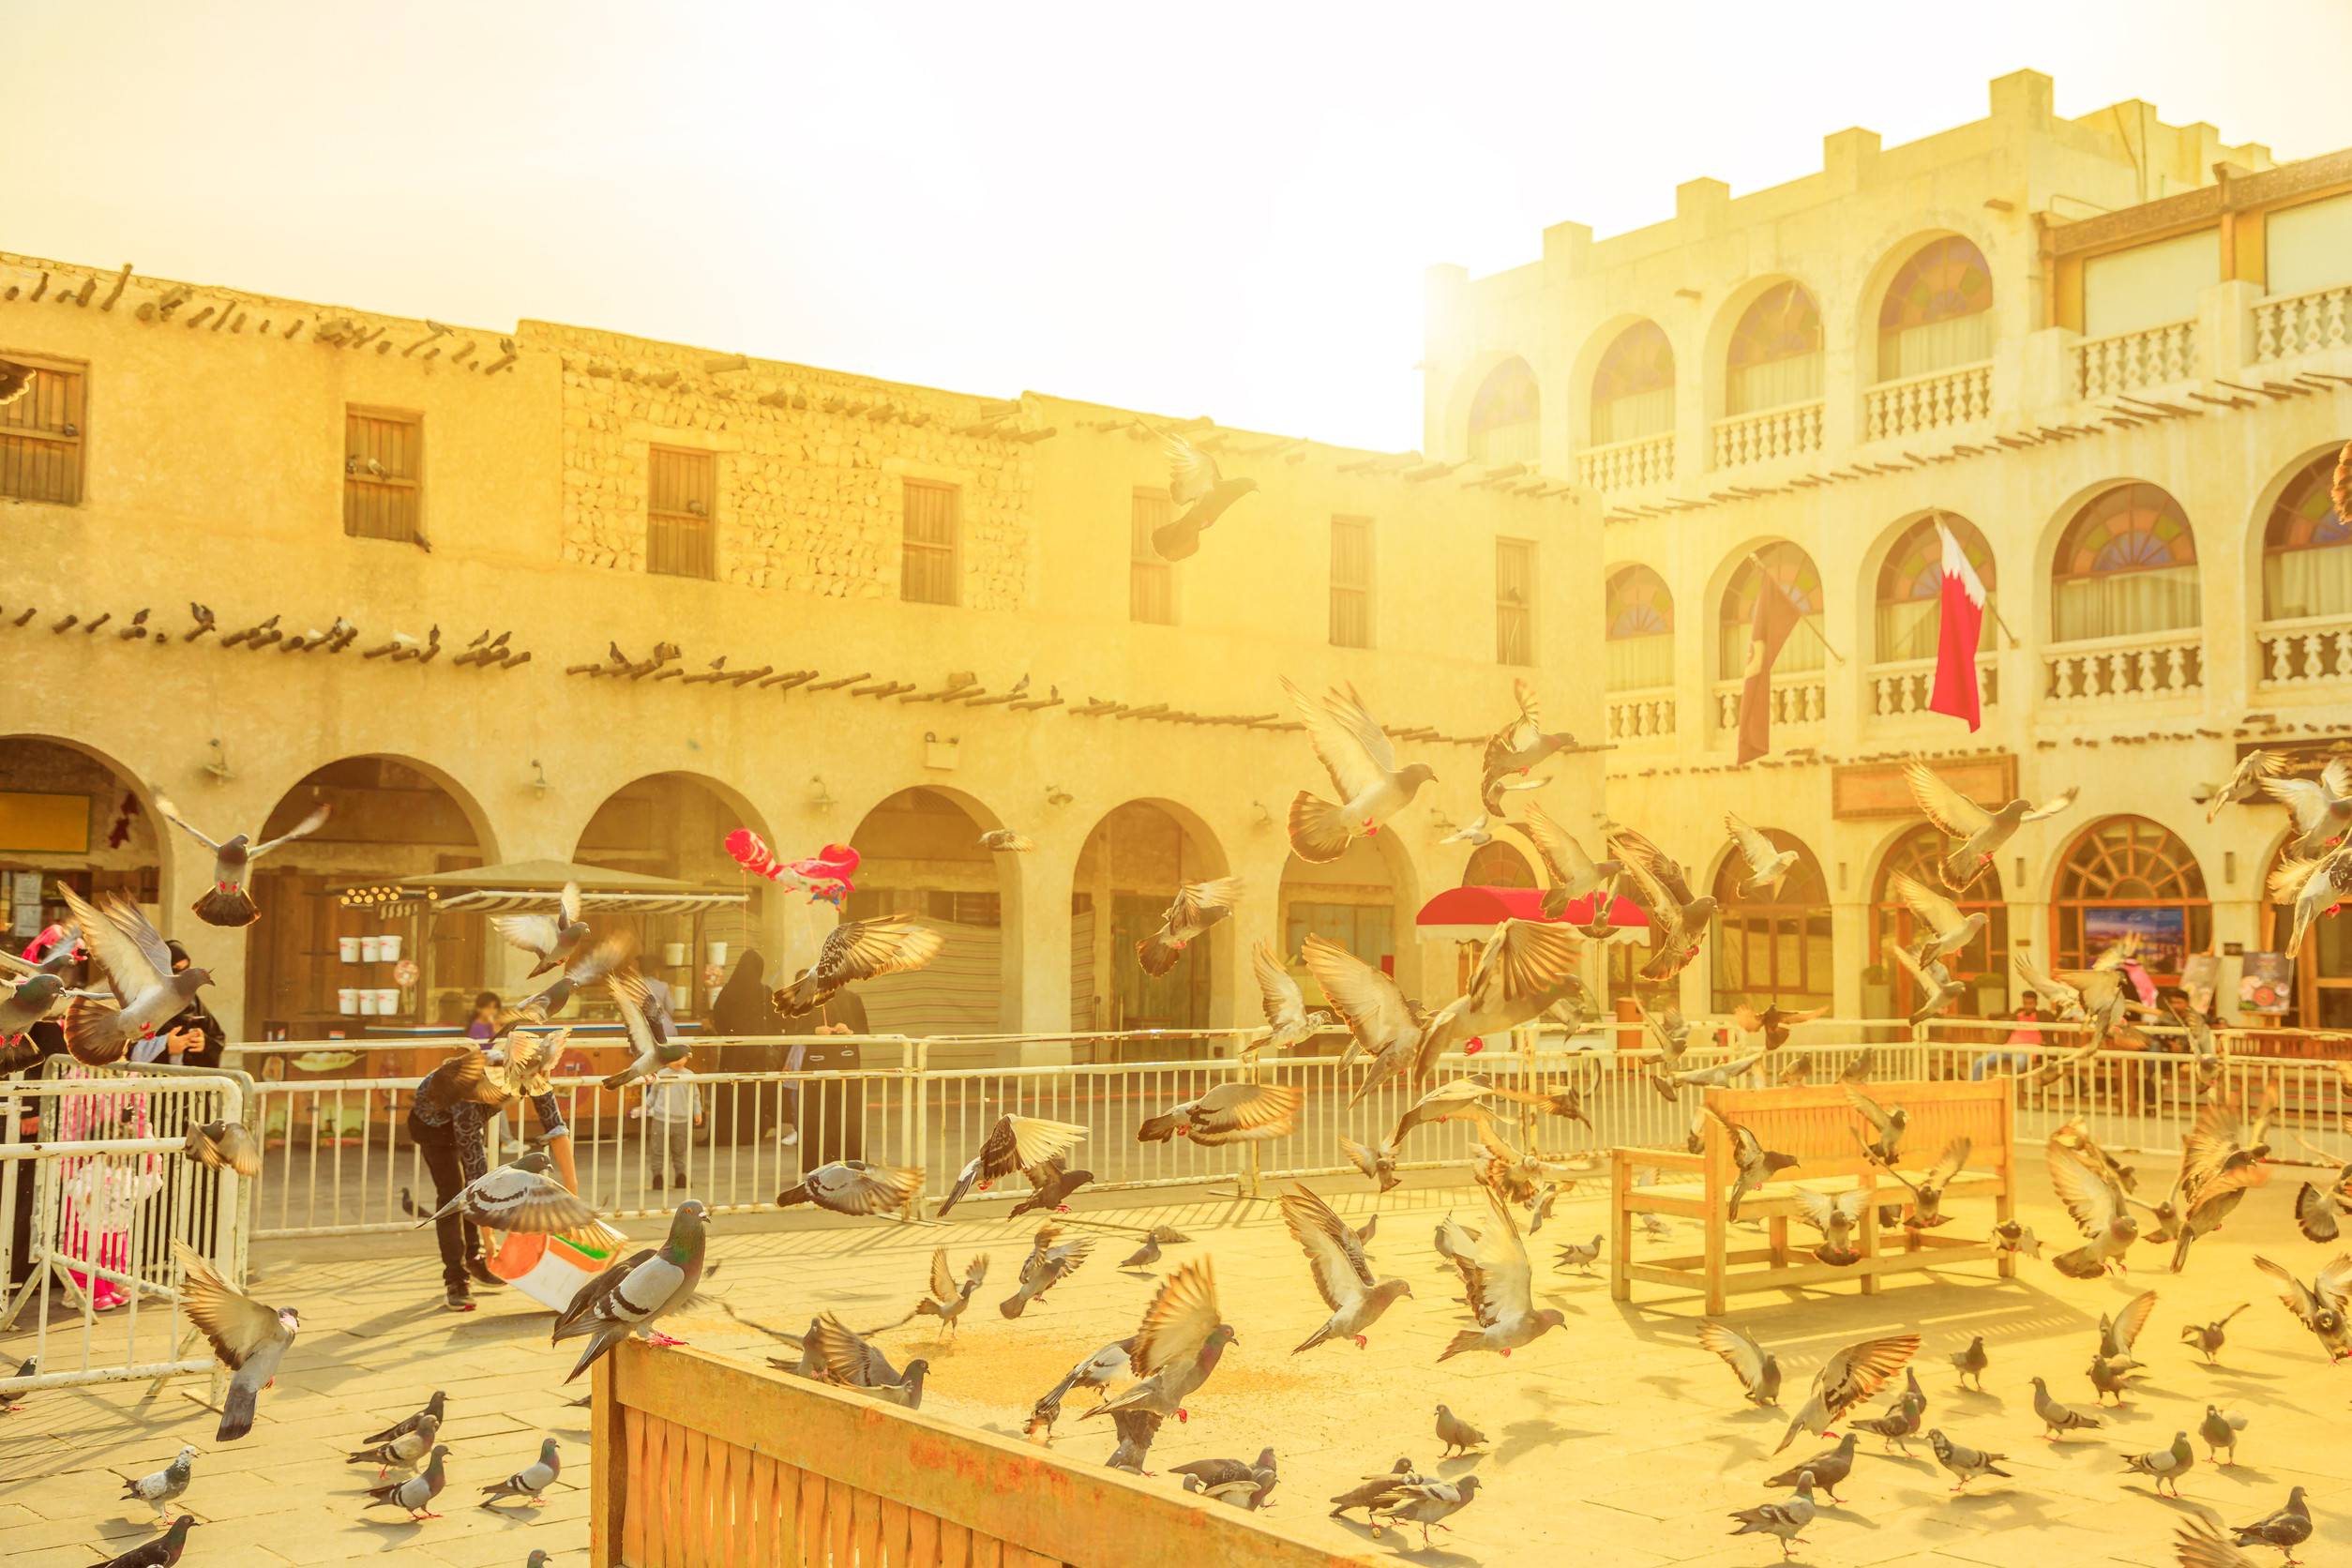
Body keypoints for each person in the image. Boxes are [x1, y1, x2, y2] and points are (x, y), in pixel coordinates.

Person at [407, 1052, 569, 1312]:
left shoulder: (532, 1073)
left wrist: (573, 1198)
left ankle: (475, 1259)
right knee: (453, 1195)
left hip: (465, 1118)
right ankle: (456, 1279)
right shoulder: (469, 1095)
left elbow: (557, 1131)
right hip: (433, 1127)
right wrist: (490, 1237)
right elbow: (477, 1178)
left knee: (469, 1192)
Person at [635, 1063, 702, 1190]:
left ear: (688, 1058)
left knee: (680, 1151)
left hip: (682, 1120)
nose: (678, 1061)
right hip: (661, 1119)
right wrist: (646, 1106)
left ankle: (681, 1175)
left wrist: (697, 1111)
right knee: (657, 1150)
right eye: (674, 1058)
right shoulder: (661, 1074)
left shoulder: (689, 1075)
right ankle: (657, 1176)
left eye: (682, 1057)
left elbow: (695, 1096)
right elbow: (653, 1094)